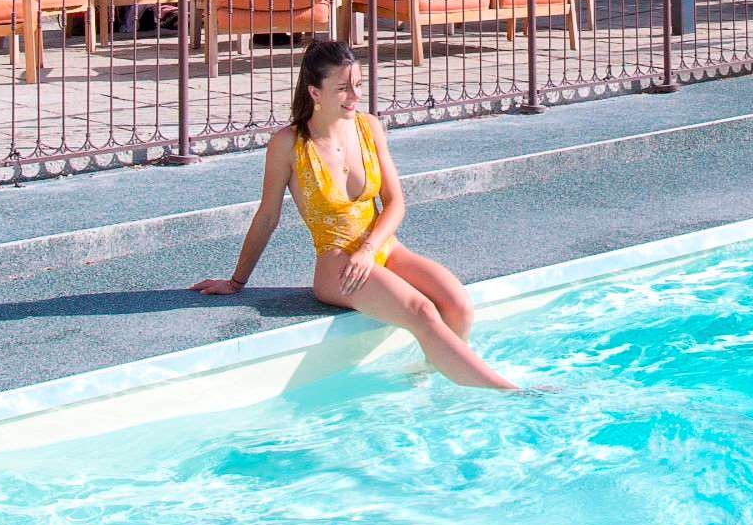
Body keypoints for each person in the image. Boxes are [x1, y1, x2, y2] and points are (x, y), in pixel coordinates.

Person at [190, 38, 516, 391]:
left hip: (382, 248)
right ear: (315, 93)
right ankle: (509, 393)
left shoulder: (368, 127)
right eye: (343, 89)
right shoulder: (289, 144)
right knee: (421, 311)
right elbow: (268, 216)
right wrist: (236, 282)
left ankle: (428, 375)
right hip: (337, 261)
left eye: (358, 86)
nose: (355, 96)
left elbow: (396, 203)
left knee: (459, 306)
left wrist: (369, 249)